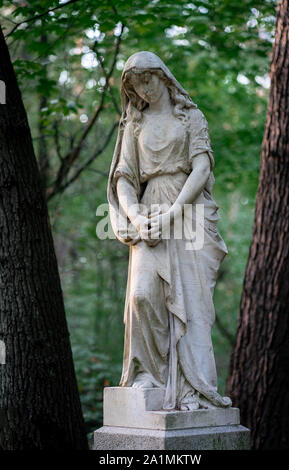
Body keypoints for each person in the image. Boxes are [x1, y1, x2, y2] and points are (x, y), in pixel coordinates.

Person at [107, 51, 231, 411]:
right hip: (148, 215)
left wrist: (173, 213)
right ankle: (148, 375)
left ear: (163, 76)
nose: (143, 89)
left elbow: (202, 167)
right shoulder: (134, 124)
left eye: (147, 79)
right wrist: (136, 217)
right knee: (142, 296)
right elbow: (124, 179)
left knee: (190, 304)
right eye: (135, 84)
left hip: (188, 210)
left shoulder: (190, 116)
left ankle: (192, 388)